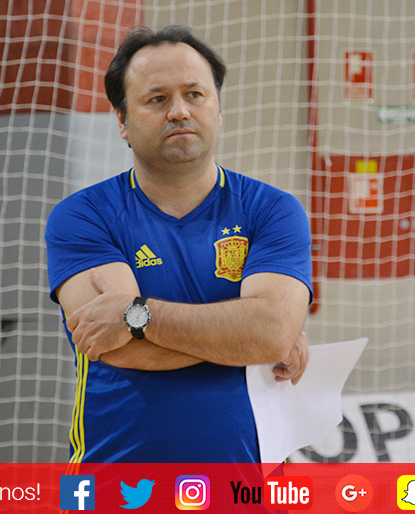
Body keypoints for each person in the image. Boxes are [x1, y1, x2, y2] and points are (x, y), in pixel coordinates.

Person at [45, 25, 313, 463]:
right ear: (122, 121)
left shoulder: (274, 210)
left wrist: (136, 314)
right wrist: (249, 340)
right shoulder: (82, 216)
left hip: (250, 496)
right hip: (119, 490)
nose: (179, 112)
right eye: (157, 99)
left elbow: (269, 332)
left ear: (219, 111)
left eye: (195, 94)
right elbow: (121, 347)